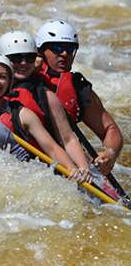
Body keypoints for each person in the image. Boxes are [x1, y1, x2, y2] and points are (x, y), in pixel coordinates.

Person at [0, 52, 87, 180]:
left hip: (15, 178)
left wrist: (72, 169)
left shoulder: (22, 115)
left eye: (2, 77)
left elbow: (52, 148)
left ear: (10, 81)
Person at [0, 30, 92, 179]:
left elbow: (68, 138)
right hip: (5, 166)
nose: (23, 63)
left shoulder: (46, 96)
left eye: (29, 58)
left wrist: (82, 168)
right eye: (16, 58)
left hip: (41, 167)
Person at [35, 20, 123, 175]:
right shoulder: (17, 75)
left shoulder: (77, 88)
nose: (64, 54)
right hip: (26, 158)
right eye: (57, 48)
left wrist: (110, 153)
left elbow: (110, 129)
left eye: (70, 49)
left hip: (66, 164)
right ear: (40, 51)